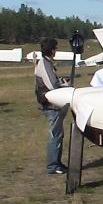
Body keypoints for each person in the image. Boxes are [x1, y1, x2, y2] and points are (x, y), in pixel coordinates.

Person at [34, 38, 69, 174]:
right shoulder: (44, 63)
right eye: (56, 48)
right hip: (51, 105)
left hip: (52, 105)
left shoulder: (46, 63)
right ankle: (53, 166)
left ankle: (57, 164)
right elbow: (52, 85)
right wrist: (64, 84)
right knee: (55, 135)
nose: (57, 50)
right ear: (52, 49)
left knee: (58, 134)